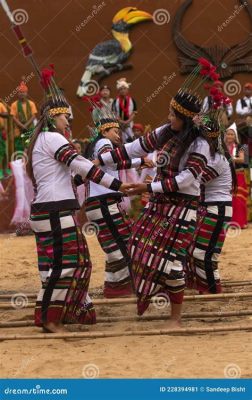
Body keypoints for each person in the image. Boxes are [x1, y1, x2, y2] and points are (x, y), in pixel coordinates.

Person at [95, 86, 214, 326]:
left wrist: (147, 189)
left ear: (185, 119)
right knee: (137, 244)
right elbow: (134, 148)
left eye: (173, 115)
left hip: (182, 207)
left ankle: (175, 318)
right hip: (160, 204)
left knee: (171, 260)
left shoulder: (200, 145)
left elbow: (185, 181)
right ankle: (153, 290)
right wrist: (98, 160)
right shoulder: (166, 131)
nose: (168, 118)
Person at [27, 68, 132, 333]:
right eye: (64, 116)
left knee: (73, 261)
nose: (68, 121)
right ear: (53, 117)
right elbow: (83, 168)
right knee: (70, 263)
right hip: (54, 211)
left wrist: (113, 184)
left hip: (51, 210)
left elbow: (73, 179)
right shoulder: (52, 138)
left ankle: (59, 313)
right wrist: (119, 185)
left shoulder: (42, 140)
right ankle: (50, 319)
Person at [186, 114, 236, 294]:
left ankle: (211, 290)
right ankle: (209, 288)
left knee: (202, 253)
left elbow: (194, 180)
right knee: (201, 252)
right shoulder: (214, 157)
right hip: (211, 207)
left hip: (217, 208)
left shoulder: (217, 159)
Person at [225, 122, 248, 229]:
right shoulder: (222, 147)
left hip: (238, 175)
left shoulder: (242, 146)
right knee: (228, 199)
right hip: (227, 176)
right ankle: (230, 222)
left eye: (232, 134)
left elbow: (243, 159)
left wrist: (231, 158)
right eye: (228, 134)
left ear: (235, 136)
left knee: (239, 199)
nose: (230, 136)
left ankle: (241, 222)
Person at [10, 81, 37, 153]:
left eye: (23, 92)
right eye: (20, 92)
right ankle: (20, 163)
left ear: (26, 93)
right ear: (17, 94)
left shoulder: (31, 103)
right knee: (19, 149)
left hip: (29, 129)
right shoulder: (14, 104)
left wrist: (26, 125)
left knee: (30, 147)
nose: (22, 94)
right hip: (18, 131)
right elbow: (13, 117)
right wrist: (22, 125)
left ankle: (29, 163)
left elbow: (34, 116)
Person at [112, 78, 137, 143]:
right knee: (123, 140)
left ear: (127, 90)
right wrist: (121, 121)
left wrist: (128, 121)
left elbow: (134, 112)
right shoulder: (115, 101)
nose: (123, 90)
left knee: (132, 139)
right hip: (119, 124)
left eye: (124, 88)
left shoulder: (132, 100)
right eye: (121, 89)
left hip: (130, 124)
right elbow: (114, 113)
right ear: (118, 91)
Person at [0, 99, 8, 176]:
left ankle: (4, 170)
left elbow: (6, 114)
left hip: (1, 132)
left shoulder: (1, 105)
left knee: (3, 152)